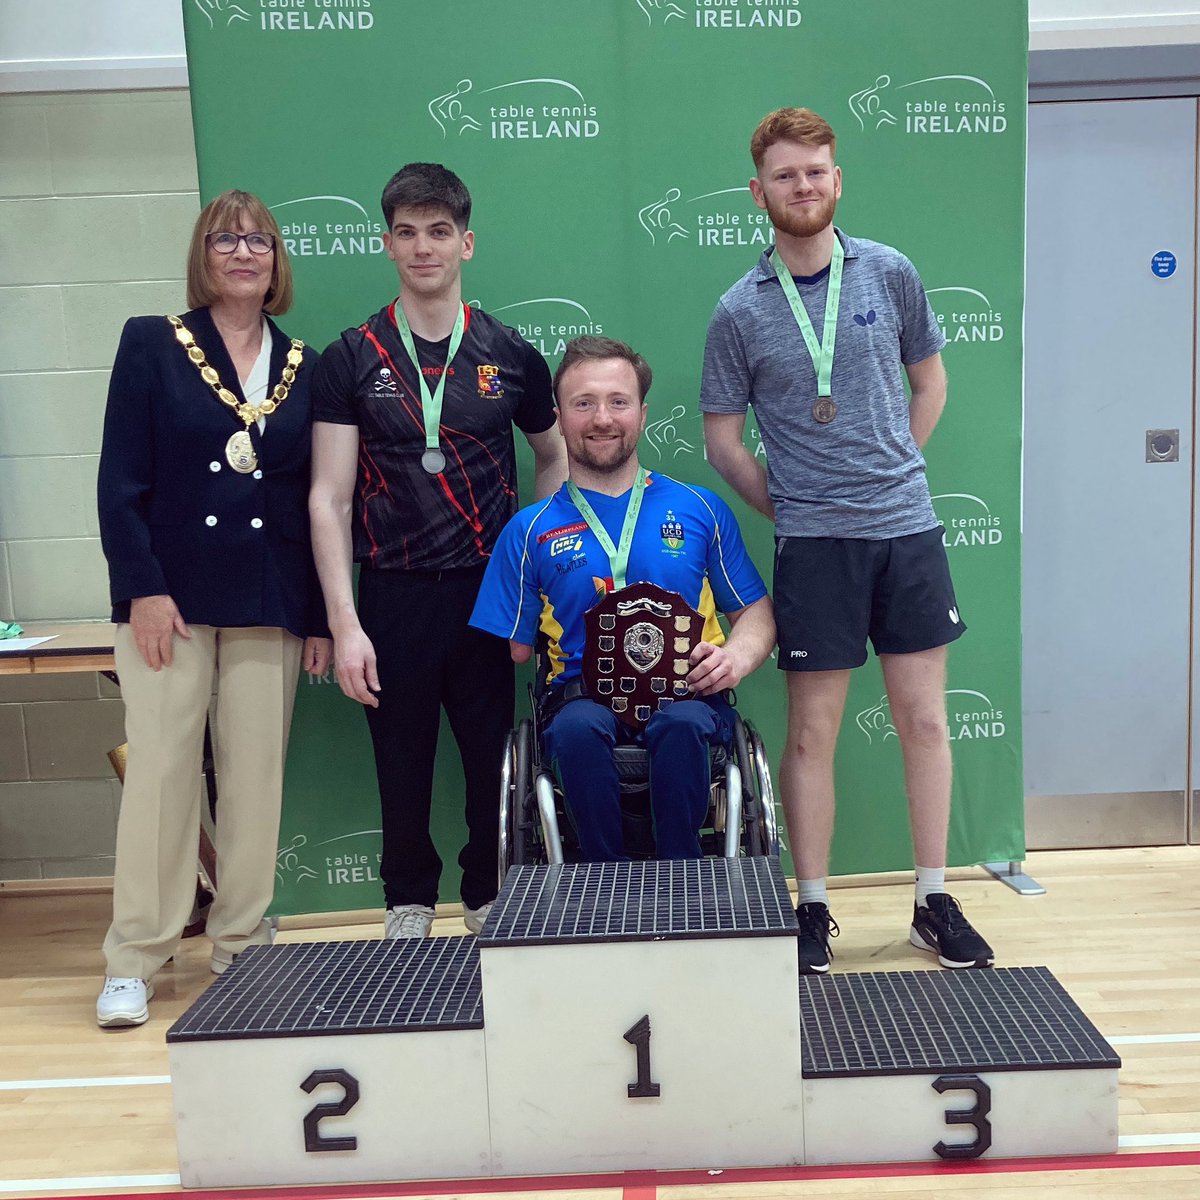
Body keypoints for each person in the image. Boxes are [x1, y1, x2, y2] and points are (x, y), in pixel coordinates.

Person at [700, 107, 993, 972]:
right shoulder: (737, 311)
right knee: (810, 734)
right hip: (815, 545)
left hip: (907, 532)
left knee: (925, 723)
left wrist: (894, 466)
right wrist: (793, 506)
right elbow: (723, 443)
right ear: (760, 192)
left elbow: (930, 383)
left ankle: (934, 897)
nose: (804, 186)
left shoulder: (890, 273)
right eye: (787, 175)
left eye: (817, 171)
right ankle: (814, 908)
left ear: (838, 180)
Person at [309, 163, 566, 939]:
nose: (425, 247)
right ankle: (407, 904)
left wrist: (532, 569)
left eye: (440, 232)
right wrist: (346, 623)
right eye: (408, 232)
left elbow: (553, 456)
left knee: (491, 756)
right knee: (401, 758)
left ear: (467, 243)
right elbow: (329, 497)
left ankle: (486, 896)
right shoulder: (351, 357)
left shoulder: (507, 351)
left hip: (489, 591)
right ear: (388, 243)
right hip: (392, 590)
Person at [95, 190, 331, 1027]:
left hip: (269, 597)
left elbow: (313, 497)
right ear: (204, 255)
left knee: (254, 777)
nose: (242, 252)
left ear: (276, 261)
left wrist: (320, 618)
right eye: (225, 239)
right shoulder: (153, 343)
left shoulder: (303, 362)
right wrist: (142, 589)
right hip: (171, 598)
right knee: (160, 775)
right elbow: (121, 482)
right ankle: (137, 955)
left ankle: (239, 946)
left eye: (258, 239)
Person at [471, 336, 775, 861]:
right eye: (583, 403)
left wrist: (734, 658)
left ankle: (683, 879)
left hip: (687, 696)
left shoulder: (700, 508)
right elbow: (518, 650)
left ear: (642, 413)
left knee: (680, 723)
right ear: (559, 418)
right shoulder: (527, 531)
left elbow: (755, 613)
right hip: (580, 701)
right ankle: (604, 884)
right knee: (577, 727)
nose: (602, 418)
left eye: (618, 401)